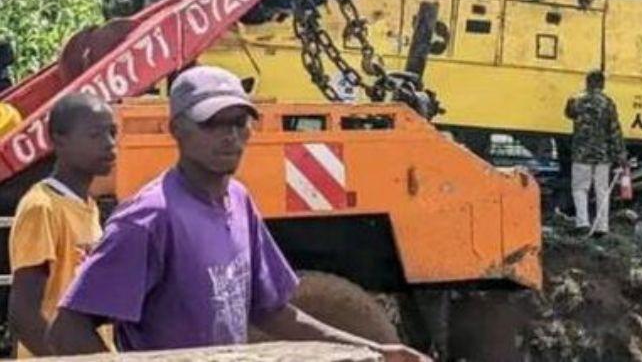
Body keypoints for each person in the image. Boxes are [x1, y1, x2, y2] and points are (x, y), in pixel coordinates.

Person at [47, 66, 425, 362]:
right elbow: (68, 329)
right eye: (212, 123)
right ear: (177, 129)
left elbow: (273, 312)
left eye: (239, 122)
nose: (229, 136)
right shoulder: (149, 220)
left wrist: (374, 351)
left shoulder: (239, 202)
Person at [8, 93, 117, 358]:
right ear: (58, 140)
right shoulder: (42, 208)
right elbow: (24, 315)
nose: (110, 144)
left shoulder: (86, 205)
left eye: (112, 133)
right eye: (95, 135)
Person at [564, 69, 626, 236]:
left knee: (579, 188)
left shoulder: (577, 101)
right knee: (602, 190)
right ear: (602, 84)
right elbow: (614, 131)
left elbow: (568, 113)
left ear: (587, 82)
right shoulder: (608, 103)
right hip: (602, 155)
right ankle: (601, 226)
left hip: (581, 154)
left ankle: (582, 222)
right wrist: (620, 154)